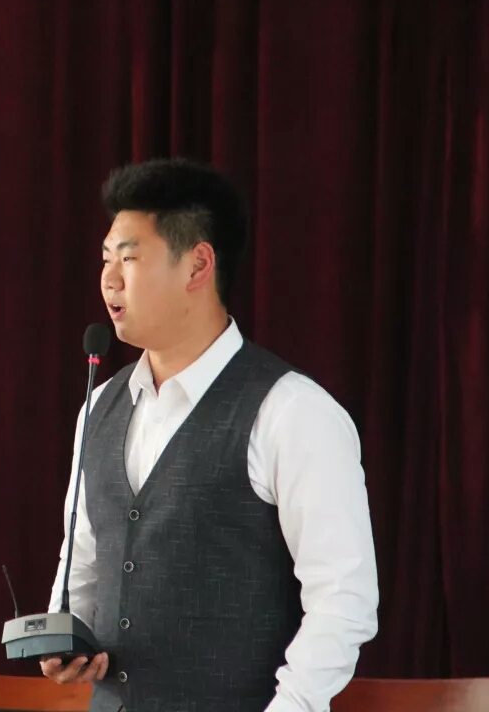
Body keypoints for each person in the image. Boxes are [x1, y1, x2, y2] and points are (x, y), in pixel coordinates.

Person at [40, 159, 379, 712]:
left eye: (129, 258)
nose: (109, 279)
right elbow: (82, 564)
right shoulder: (99, 407)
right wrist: (67, 637)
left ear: (198, 265)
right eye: (105, 259)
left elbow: (345, 601)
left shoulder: (292, 411)